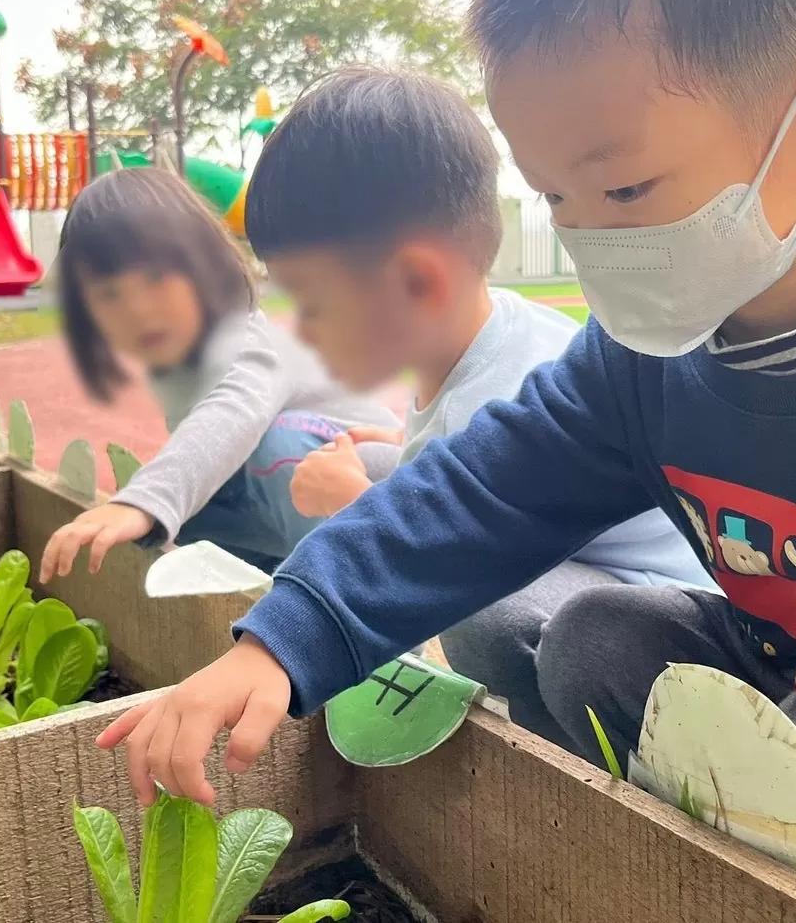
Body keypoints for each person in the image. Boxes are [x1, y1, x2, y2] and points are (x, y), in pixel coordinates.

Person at [96, 0, 796, 920]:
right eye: (555, 196)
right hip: (795, 665)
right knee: (584, 635)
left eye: (626, 190)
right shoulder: (645, 361)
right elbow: (478, 494)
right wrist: (283, 640)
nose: (588, 237)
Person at [246, 66, 709, 743]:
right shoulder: (485, 334)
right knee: (378, 463)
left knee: (479, 610)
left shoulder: (494, 394)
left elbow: (459, 544)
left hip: (649, 622)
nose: (304, 331)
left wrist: (352, 502)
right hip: (588, 563)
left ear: (417, 283)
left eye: (314, 304)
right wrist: (389, 462)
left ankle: (554, 754)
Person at [38, 167, 395, 581]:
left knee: (273, 448)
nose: (138, 308)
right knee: (195, 510)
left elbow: (233, 411)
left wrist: (141, 501)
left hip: (387, 495)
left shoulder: (241, 339)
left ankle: (350, 597)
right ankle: (281, 587)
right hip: (309, 500)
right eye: (110, 295)